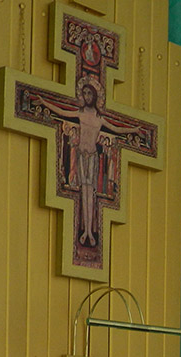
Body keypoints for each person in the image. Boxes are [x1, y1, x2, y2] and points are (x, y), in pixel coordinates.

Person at [36, 82, 144, 247]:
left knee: (90, 194)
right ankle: (85, 230)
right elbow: (61, 112)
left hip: (92, 157)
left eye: (89, 93)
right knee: (83, 192)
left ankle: (89, 231)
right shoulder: (80, 113)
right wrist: (44, 103)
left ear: (94, 96)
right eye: (84, 93)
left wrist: (134, 130)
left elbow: (117, 129)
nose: (87, 96)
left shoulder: (99, 118)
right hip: (81, 156)